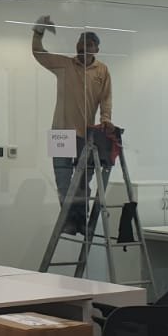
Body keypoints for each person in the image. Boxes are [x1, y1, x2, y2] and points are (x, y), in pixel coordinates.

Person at [31, 17, 113, 235]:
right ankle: (69, 221)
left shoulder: (102, 71)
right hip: (60, 132)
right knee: (63, 180)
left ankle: (80, 221)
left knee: (83, 181)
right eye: (80, 44)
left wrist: (105, 119)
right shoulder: (65, 65)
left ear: (96, 49)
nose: (83, 48)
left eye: (88, 45)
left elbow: (106, 98)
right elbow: (39, 53)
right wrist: (38, 32)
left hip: (86, 134)